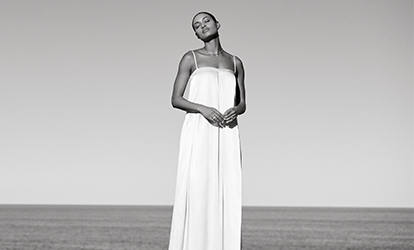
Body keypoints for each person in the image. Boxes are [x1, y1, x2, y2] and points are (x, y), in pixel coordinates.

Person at [169, 11, 246, 250]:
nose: (202, 26)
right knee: (198, 188)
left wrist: (236, 109)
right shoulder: (190, 58)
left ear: (217, 24)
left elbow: (243, 103)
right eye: (196, 25)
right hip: (200, 131)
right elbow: (175, 99)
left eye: (206, 21)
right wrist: (203, 108)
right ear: (195, 33)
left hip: (227, 131)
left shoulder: (236, 62)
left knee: (227, 189)